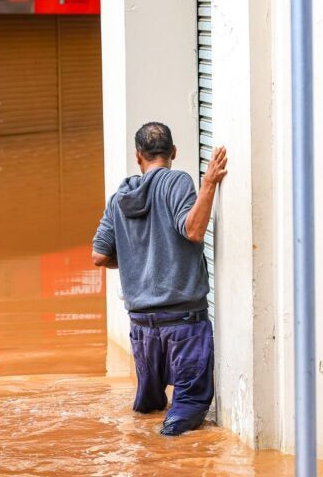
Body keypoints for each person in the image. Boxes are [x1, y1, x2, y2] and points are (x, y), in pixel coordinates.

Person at [91, 121, 228, 436]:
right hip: (184, 323)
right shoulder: (177, 182)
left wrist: (133, 261)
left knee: (148, 409)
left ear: (138, 156)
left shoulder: (118, 199)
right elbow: (193, 231)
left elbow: (98, 256)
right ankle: (165, 460)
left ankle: (144, 458)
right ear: (174, 152)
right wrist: (208, 184)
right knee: (184, 415)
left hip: (142, 328)